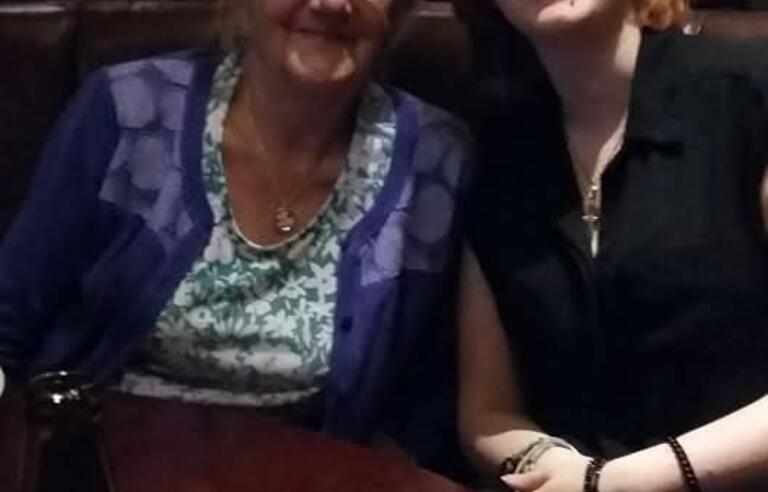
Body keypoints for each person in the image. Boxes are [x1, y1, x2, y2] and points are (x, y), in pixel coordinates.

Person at [0, 0, 471, 470]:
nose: (332, 4)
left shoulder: (434, 158)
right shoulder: (126, 109)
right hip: (98, 464)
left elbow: (426, 403)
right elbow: (10, 316)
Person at [454, 0, 768, 490]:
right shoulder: (499, 154)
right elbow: (487, 411)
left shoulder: (749, 92)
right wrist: (552, 465)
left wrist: (619, 481)